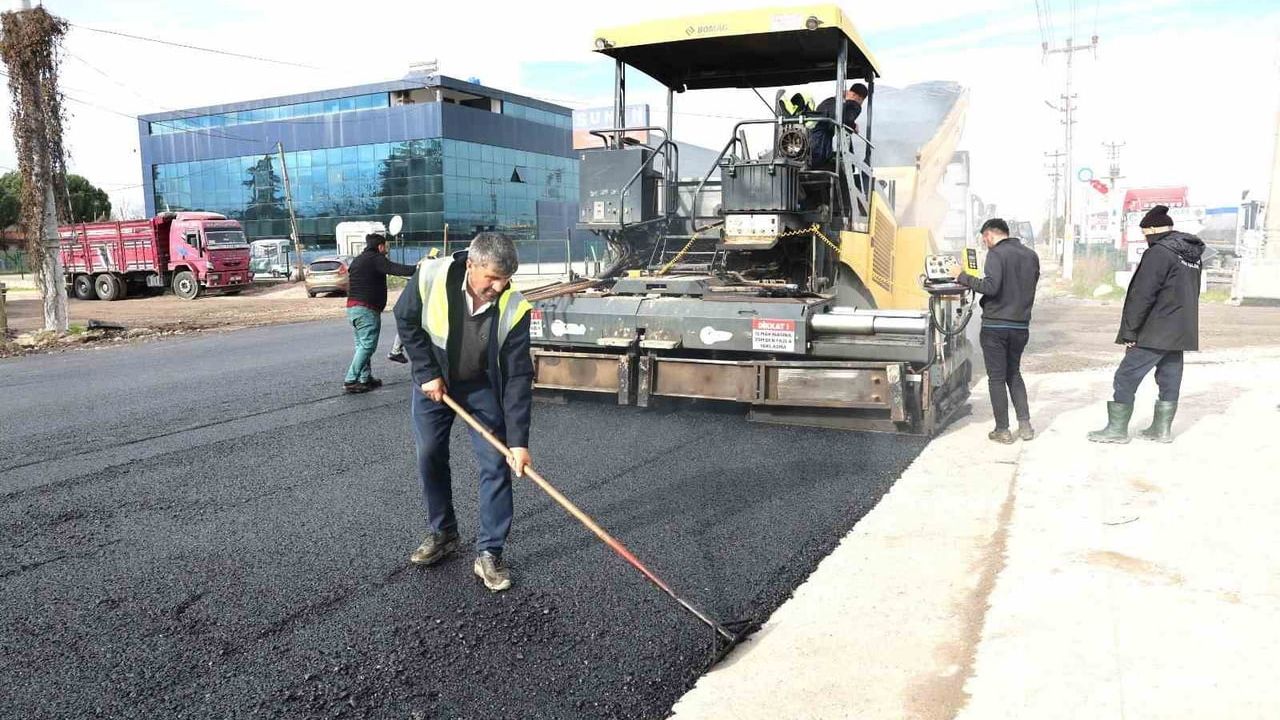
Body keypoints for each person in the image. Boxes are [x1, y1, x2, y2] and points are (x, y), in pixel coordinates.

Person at [393, 232, 534, 592]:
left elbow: (518, 376)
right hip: (434, 381)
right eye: (492, 278)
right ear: (471, 265)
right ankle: (443, 533)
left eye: (506, 279)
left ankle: (489, 551)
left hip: (479, 386)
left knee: (497, 461)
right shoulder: (430, 276)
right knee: (430, 454)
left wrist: (518, 442)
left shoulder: (515, 306)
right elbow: (405, 319)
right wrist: (427, 372)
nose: (499, 287)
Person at [1088, 205, 1204, 444]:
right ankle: (1162, 431)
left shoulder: (1159, 253)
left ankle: (1117, 430)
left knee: (1125, 377)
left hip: (1155, 331)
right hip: (1180, 331)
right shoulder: (1192, 255)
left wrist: (1130, 332)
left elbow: (1142, 295)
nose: (1145, 238)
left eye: (1144, 233)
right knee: (1169, 379)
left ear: (1151, 230)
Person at [951, 218, 1041, 443]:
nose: (985, 244)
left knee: (997, 378)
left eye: (984, 240)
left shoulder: (996, 254)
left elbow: (991, 287)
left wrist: (962, 276)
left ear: (989, 235)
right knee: (1014, 374)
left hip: (996, 326)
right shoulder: (1031, 255)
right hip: (1020, 326)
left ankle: (1003, 430)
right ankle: (1025, 426)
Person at [344, 233, 416, 393]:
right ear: (380, 246)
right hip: (366, 309)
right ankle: (350, 380)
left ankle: (365, 378)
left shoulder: (358, 260)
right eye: (386, 246)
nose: (387, 249)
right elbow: (395, 269)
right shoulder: (376, 259)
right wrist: (417, 268)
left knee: (361, 346)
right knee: (367, 346)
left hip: (352, 308)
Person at [387, 248, 443, 365]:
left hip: (418, 300)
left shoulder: (423, 265)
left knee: (409, 325)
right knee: (413, 325)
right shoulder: (430, 267)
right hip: (422, 301)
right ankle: (396, 350)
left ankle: (396, 350)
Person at [811, 82, 868, 166]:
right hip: (821, 148)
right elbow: (845, 119)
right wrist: (854, 126)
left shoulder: (826, 102)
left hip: (808, 144)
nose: (860, 104)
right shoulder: (853, 105)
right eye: (861, 101)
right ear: (857, 97)